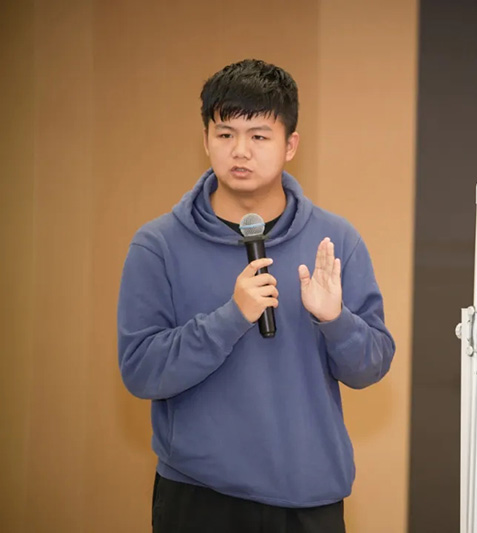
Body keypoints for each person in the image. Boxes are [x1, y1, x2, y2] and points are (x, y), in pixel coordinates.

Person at [117, 58, 396, 533]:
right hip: (201, 497)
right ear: (205, 140)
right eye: (225, 134)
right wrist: (231, 317)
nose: (240, 151)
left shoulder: (335, 241)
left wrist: (336, 322)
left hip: (310, 497)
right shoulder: (158, 245)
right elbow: (141, 370)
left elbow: (371, 366)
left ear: (290, 146)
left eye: (259, 136)